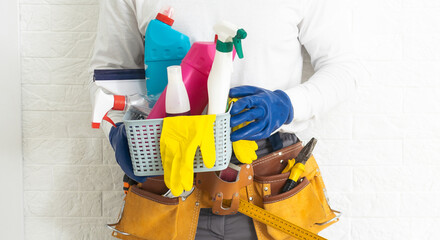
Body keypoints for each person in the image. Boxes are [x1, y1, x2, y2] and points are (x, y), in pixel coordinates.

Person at [89, 0, 365, 239]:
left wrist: (287, 105)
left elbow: (344, 67)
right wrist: (116, 131)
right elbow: (113, 73)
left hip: (268, 173)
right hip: (166, 167)